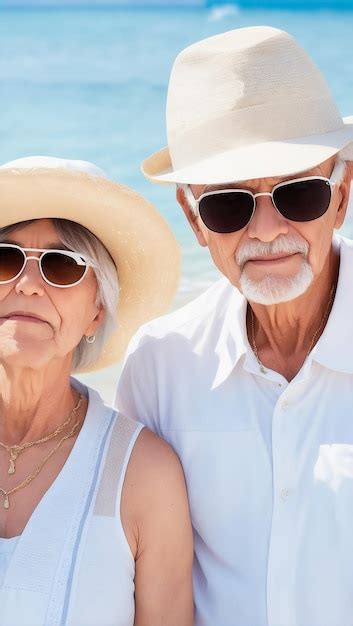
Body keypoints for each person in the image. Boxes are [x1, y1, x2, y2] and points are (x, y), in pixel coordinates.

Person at [115, 26, 353, 626]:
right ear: (194, 220)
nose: (267, 230)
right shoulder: (159, 366)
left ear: (343, 192)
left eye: (298, 194)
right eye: (229, 203)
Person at [0, 156, 193, 626]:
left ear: (96, 311)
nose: (27, 285)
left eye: (62, 266)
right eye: (5, 259)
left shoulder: (144, 476)